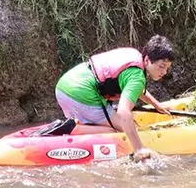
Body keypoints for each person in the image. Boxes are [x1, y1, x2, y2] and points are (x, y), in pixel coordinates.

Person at [36, 34, 176, 161]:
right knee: (120, 130)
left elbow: (136, 91)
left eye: (167, 68)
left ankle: (80, 125)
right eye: (161, 66)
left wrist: (157, 105)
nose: (164, 72)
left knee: (121, 123)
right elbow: (123, 112)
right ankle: (70, 128)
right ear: (147, 60)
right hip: (82, 94)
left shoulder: (134, 55)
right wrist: (139, 148)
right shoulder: (137, 77)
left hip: (64, 87)